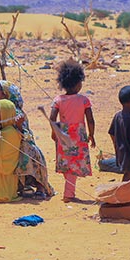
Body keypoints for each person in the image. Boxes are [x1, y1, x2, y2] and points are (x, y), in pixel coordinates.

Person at [0, 80, 54, 198]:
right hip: (5, 144)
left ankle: (39, 186)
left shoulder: (16, 112)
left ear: (5, 95)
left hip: (20, 143)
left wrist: (18, 126)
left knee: (27, 151)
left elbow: (24, 135)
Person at [49, 59, 95, 202]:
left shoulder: (58, 100)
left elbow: (52, 118)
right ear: (77, 83)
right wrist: (91, 134)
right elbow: (90, 119)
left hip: (63, 135)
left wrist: (54, 132)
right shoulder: (84, 100)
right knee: (73, 165)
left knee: (67, 164)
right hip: (78, 136)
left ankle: (69, 190)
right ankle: (68, 194)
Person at [108, 85, 130, 182]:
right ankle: (122, 191)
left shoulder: (117, 116)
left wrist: (116, 145)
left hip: (121, 151)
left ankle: (127, 190)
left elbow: (111, 133)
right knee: (129, 173)